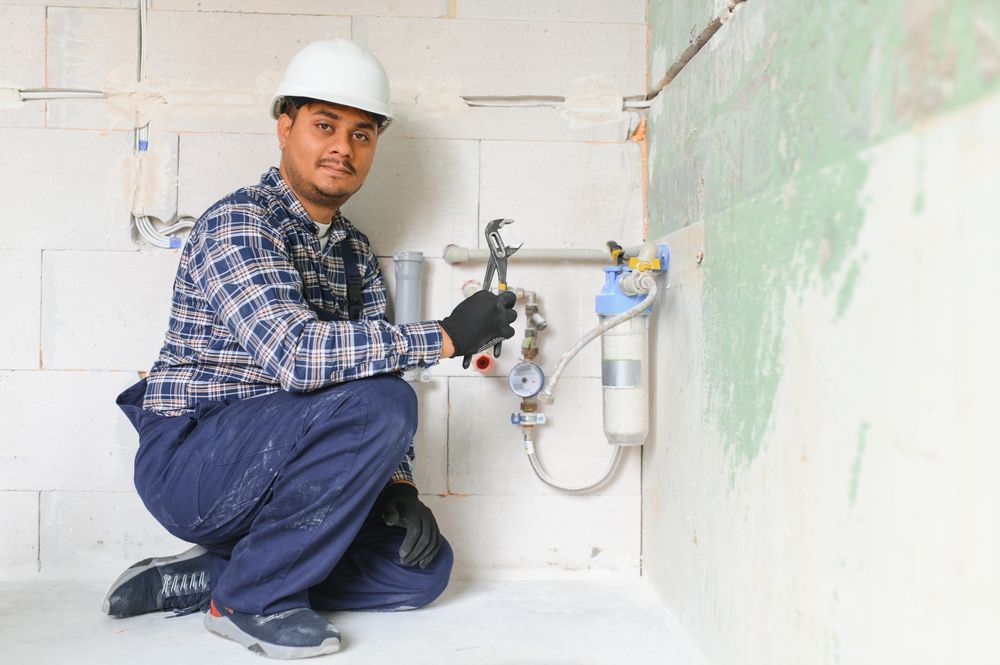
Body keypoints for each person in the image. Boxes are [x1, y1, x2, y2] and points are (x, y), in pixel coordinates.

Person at [103, 39, 517, 659]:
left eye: (361, 135)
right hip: (193, 461)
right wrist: (447, 336)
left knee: (420, 570)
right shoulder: (239, 223)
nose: (341, 148)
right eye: (325, 125)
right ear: (284, 126)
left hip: (283, 469)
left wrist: (398, 488)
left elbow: (364, 378)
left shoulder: (352, 251)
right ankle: (251, 603)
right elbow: (295, 357)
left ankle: (221, 577)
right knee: (383, 400)